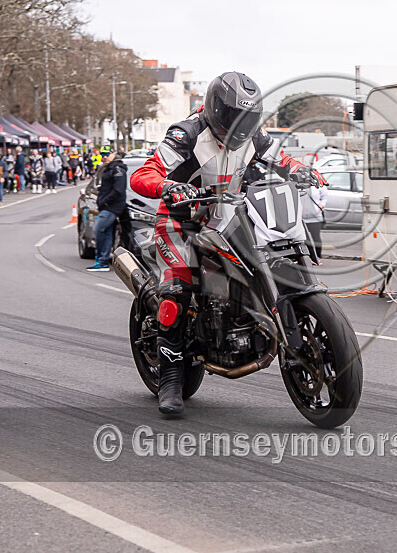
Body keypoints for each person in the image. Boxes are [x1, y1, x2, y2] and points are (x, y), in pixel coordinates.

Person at [131, 71, 326, 415]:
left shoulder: (255, 136)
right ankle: (172, 377)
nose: (240, 125)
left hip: (230, 215)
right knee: (177, 288)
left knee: (268, 253)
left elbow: (282, 160)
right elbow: (143, 174)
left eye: (247, 119)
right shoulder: (185, 134)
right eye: (234, 117)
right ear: (215, 109)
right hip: (181, 219)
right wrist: (167, 186)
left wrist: (299, 169)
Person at [87, 146, 126, 272]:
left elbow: (119, 190)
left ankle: (102, 260)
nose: (104, 157)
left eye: (106, 154)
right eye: (102, 154)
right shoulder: (108, 168)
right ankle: (103, 261)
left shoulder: (117, 169)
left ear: (113, 154)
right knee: (107, 233)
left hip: (112, 207)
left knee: (99, 230)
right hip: (107, 206)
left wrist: (105, 201)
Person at [302, 181, 328, 263]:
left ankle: (318, 255)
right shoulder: (299, 185)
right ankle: (309, 257)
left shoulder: (319, 185)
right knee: (304, 239)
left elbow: (324, 198)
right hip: (302, 218)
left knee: (316, 237)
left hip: (315, 217)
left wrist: (319, 208)